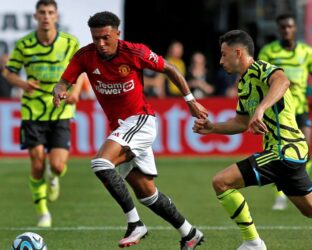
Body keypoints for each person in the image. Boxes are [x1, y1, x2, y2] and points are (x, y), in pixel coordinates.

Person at [52, 11, 206, 249]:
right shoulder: (85, 56)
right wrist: (59, 89)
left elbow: (170, 69)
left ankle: (135, 224)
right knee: (147, 195)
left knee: (101, 163)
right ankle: (190, 233)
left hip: (141, 121)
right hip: (121, 128)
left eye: (105, 37)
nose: (100, 44)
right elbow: (64, 81)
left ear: (117, 34)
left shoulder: (135, 52)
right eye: (95, 38)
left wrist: (190, 101)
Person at [193, 29, 312, 250]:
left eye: (223, 54)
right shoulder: (244, 84)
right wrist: (213, 128)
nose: (220, 61)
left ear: (238, 52)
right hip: (289, 153)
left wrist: (260, 109)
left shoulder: (261, 69)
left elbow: (282, 81)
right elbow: (240, 122)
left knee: (221, 182)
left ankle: (253, 243)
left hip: (283, 150)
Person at [2, 0, 82, 227]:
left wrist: (75, 90)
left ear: (56, 16)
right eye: (42, 12)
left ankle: (54, 177)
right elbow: (9, 72)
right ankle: (43, 212)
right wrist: (23, 84)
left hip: (61, 110)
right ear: (36, 16)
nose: (46, 16)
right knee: (37, 163)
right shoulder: (25, 44)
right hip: (33, 110)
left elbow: (82, 69)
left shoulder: (69, 42)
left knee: (56, 165)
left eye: (50, 12)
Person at [258, 13, 312, 210]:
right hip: (280, 110)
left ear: (295, 29)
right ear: (279, 29)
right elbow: (259, 76)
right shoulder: (269, 51)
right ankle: (281, 194)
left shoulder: (306, 52)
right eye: (283, 27)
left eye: (290, 27)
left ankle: (300, 185)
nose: (286, 30)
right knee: (278, 153)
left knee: (307, 149)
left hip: (301, 106)